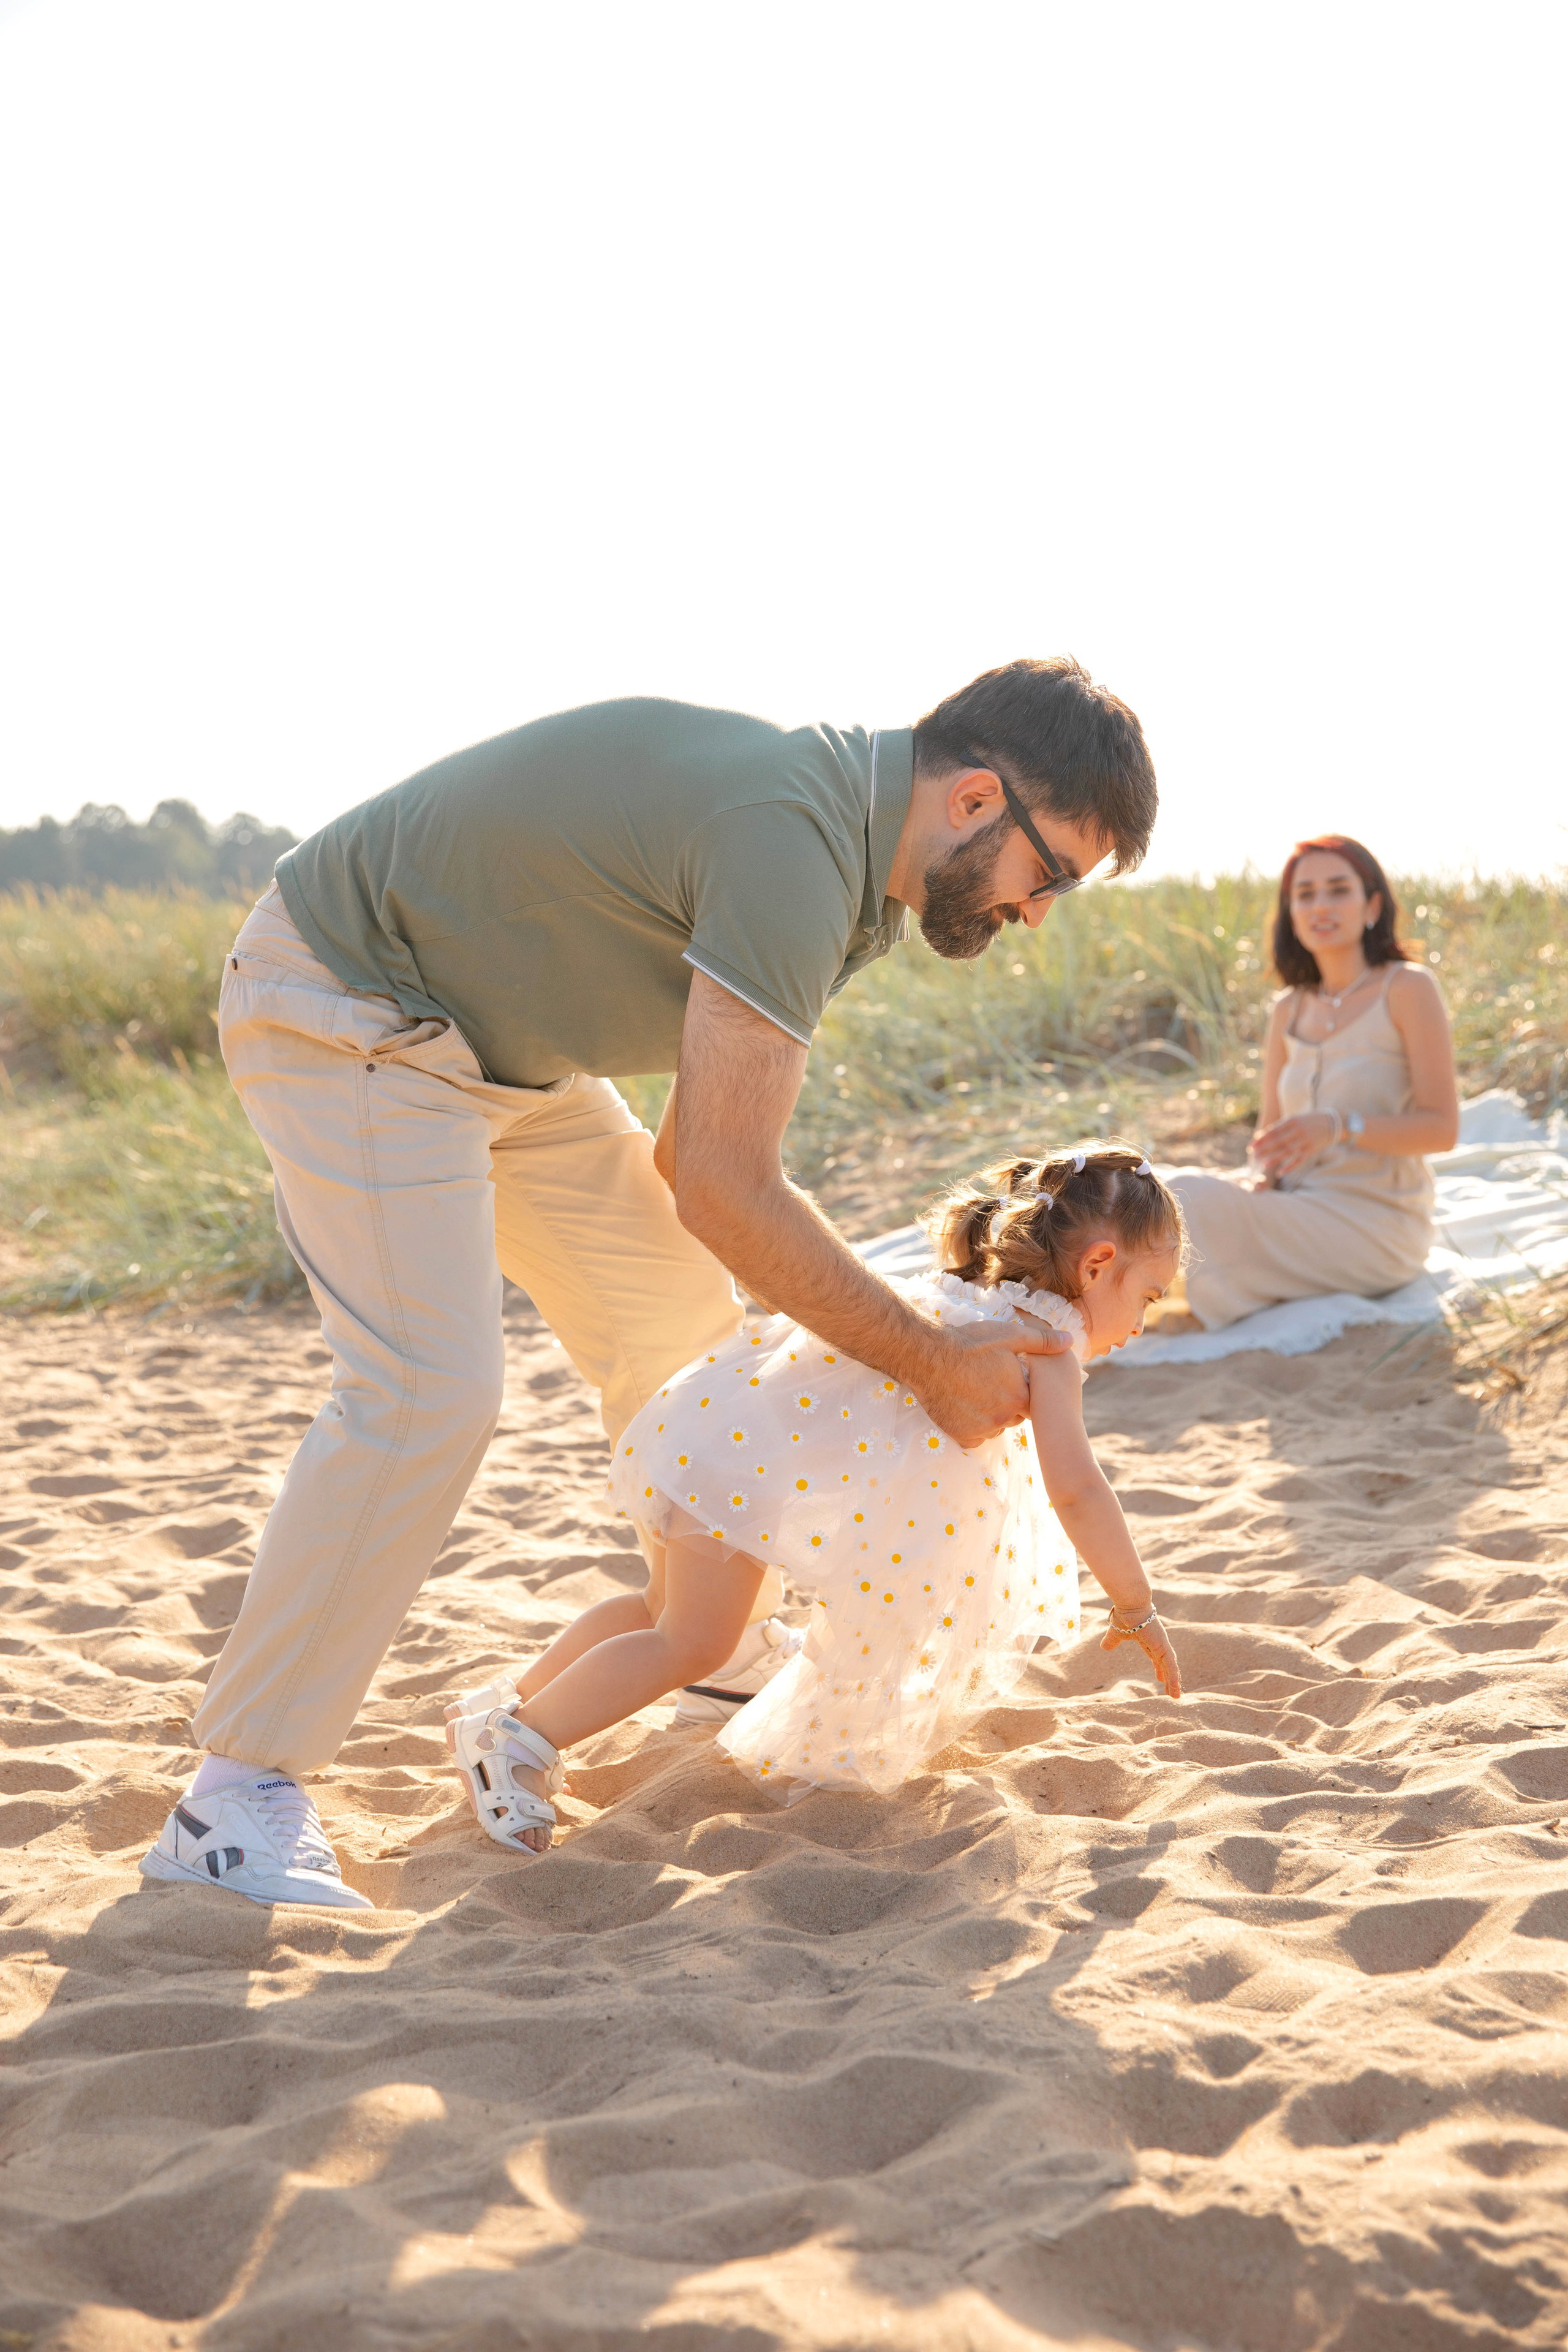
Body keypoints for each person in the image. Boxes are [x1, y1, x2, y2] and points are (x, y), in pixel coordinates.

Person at [138, 660, 1159, 1909]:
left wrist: (916, 1340)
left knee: (679, 1320)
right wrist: (931, 1359)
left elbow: (690, 1160)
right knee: (430, 1391)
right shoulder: (793, 843)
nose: (1039, 911)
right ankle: (233, 1799)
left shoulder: (858, 873)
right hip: (352, 1003)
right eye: (1048, 873)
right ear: (974, 801)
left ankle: (708, 1643)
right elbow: (727, 1183)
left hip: (509, 1061)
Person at [444, 1145, 1185, 1850]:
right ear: (1096, 1265)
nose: (1141, 1323)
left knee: (659, 1613)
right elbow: (1078, 1490)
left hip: (722, 1439)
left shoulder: (959, 1295)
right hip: (744, 1472)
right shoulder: (1045, 1345)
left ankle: (506, 1707)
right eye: (1147, 1296)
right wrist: (1135, 1603)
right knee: (694, 1642)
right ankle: (519, 1745)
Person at [1163, 835, 1458, 1332]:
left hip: (1378, 1223)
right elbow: (1269, 1136)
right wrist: (1260, 1178)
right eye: (1305, 894)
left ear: (1373, 905)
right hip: (1292, 1205)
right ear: (1291, 914)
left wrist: (1341, 1126)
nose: (1321, 905)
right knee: (1149, 1188)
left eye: (1338, 890)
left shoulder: (1408, 988)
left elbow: (1442, 1130)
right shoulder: (1289, 1008)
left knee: (1189, 1198)